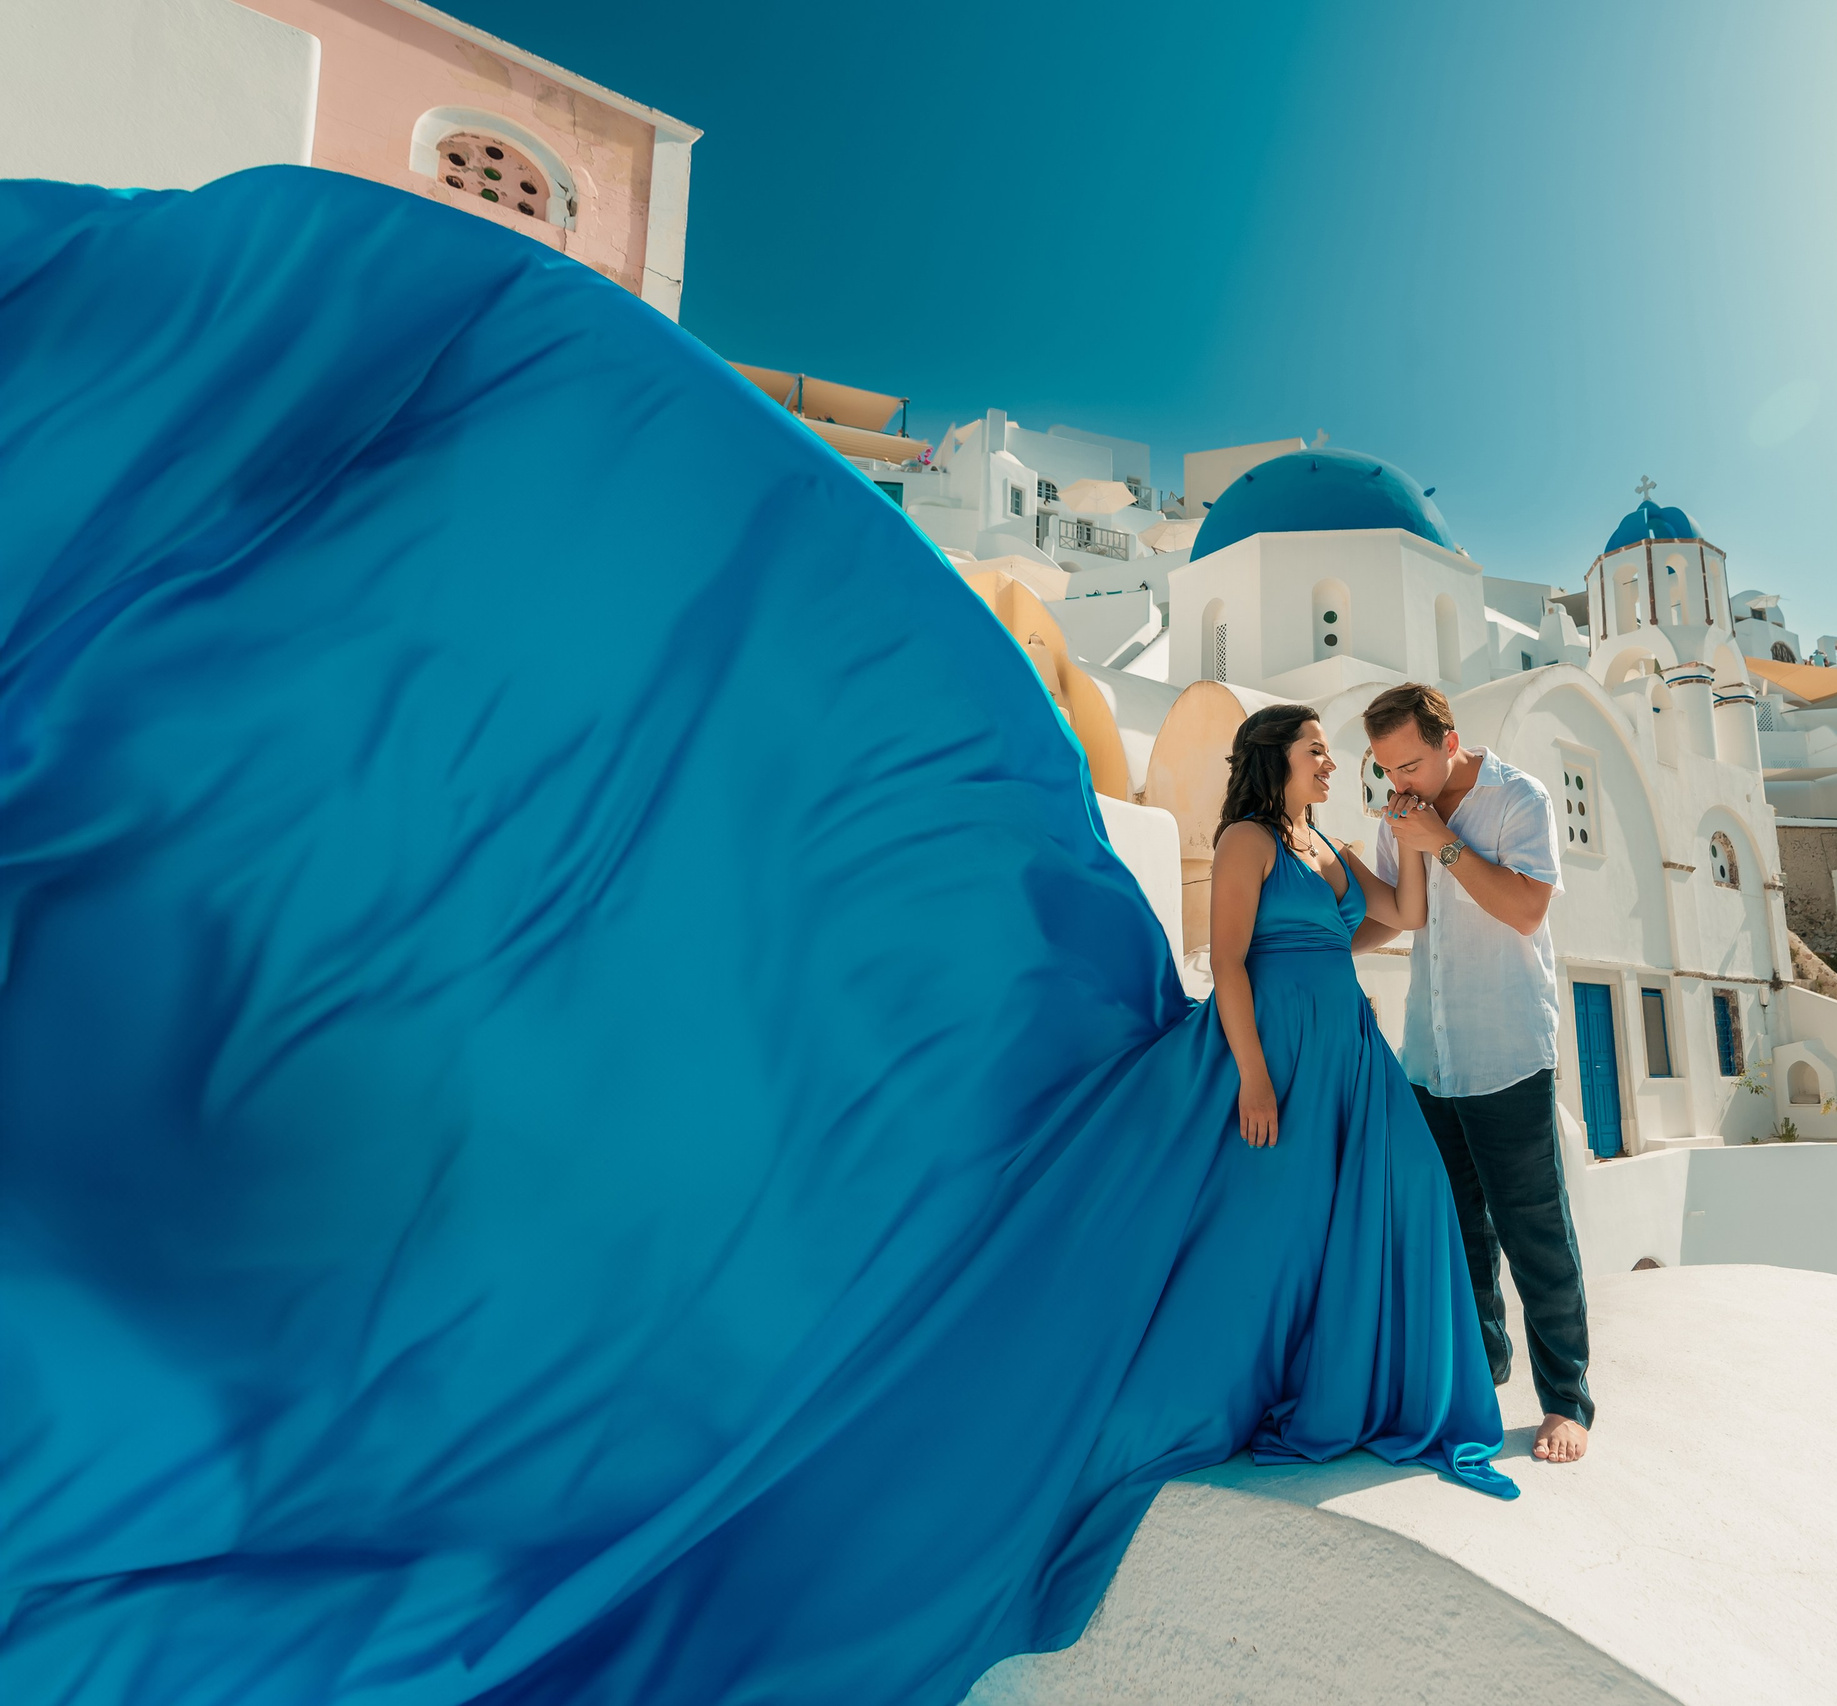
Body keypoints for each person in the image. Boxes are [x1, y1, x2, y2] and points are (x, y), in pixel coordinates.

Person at [0, 169, 1509, 1706]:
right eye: (1325, 752)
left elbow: (1382, 919)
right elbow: (1238, 959)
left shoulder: (1344, 835)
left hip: (1348, 1076)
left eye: (1347, 753)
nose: (1335, 757)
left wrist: (1413, 848)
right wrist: (1251, 1056)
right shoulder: (1255, 833)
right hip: (1276, 1065)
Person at [1359, 683, 1595, 1463]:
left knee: (1536, 1235)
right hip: (1431, 1053)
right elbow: (1405, 914)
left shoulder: (1519, 798)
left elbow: (1527, 910)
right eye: (1389, 770)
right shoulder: (1402, 813)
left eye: (1413, 764)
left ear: (1450, 740)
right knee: (1458, 1235)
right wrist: (1310, 942)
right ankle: (1482, 1372)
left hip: (1506, 1052)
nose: (1402, 784)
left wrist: (1442, 841)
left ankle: (1566, 1401)